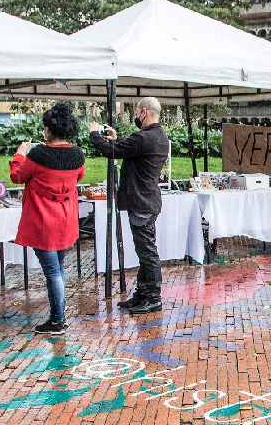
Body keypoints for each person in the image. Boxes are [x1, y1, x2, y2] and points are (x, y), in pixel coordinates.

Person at [88, 96, 169, 315]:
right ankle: (143, 294)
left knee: (147, 253)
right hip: (147, 200)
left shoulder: (144, 137)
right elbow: (131, 149)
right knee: (145, 251)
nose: (135, 115)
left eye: (136, 111)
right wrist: (118, 139)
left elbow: (112, 152)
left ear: (144, 112)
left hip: (142, 201)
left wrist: (95, 135)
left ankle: (153, 297)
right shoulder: (159, 136)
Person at [11, 102, 85, 335]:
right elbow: (79, 176)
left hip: (44, 220)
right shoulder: (77, 154)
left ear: (48, 129)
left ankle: (57, 320)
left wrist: (19, 155)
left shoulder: (39, 153)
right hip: (66, 219)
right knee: (58, 268)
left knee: (53, 272)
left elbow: (17, 176)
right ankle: (58, 316)